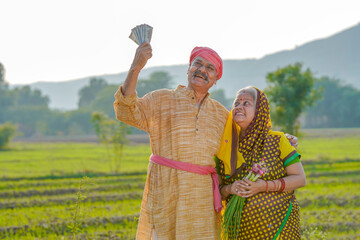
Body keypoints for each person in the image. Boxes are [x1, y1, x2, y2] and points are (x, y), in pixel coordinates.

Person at [114, 43, 298, 239]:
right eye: (198, 64)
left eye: (210, 68)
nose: (202, 70)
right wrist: (136, 67)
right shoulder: (161, 99)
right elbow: (126, 111)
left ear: (216, 79)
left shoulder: (221, 115)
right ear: (188, 69)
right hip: (165, 190)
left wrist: (281, 139)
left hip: (203, 198)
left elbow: (249, 136)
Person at [216, 86, 306, 240]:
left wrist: (263, 186)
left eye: (246, 103)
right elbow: (219, 189)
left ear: (259, 110)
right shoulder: (225, 147)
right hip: (240, 231)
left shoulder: (278, 140)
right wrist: (231, 188)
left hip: (281, 228)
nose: (239, 107)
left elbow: (300, 178)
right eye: (236, 103)